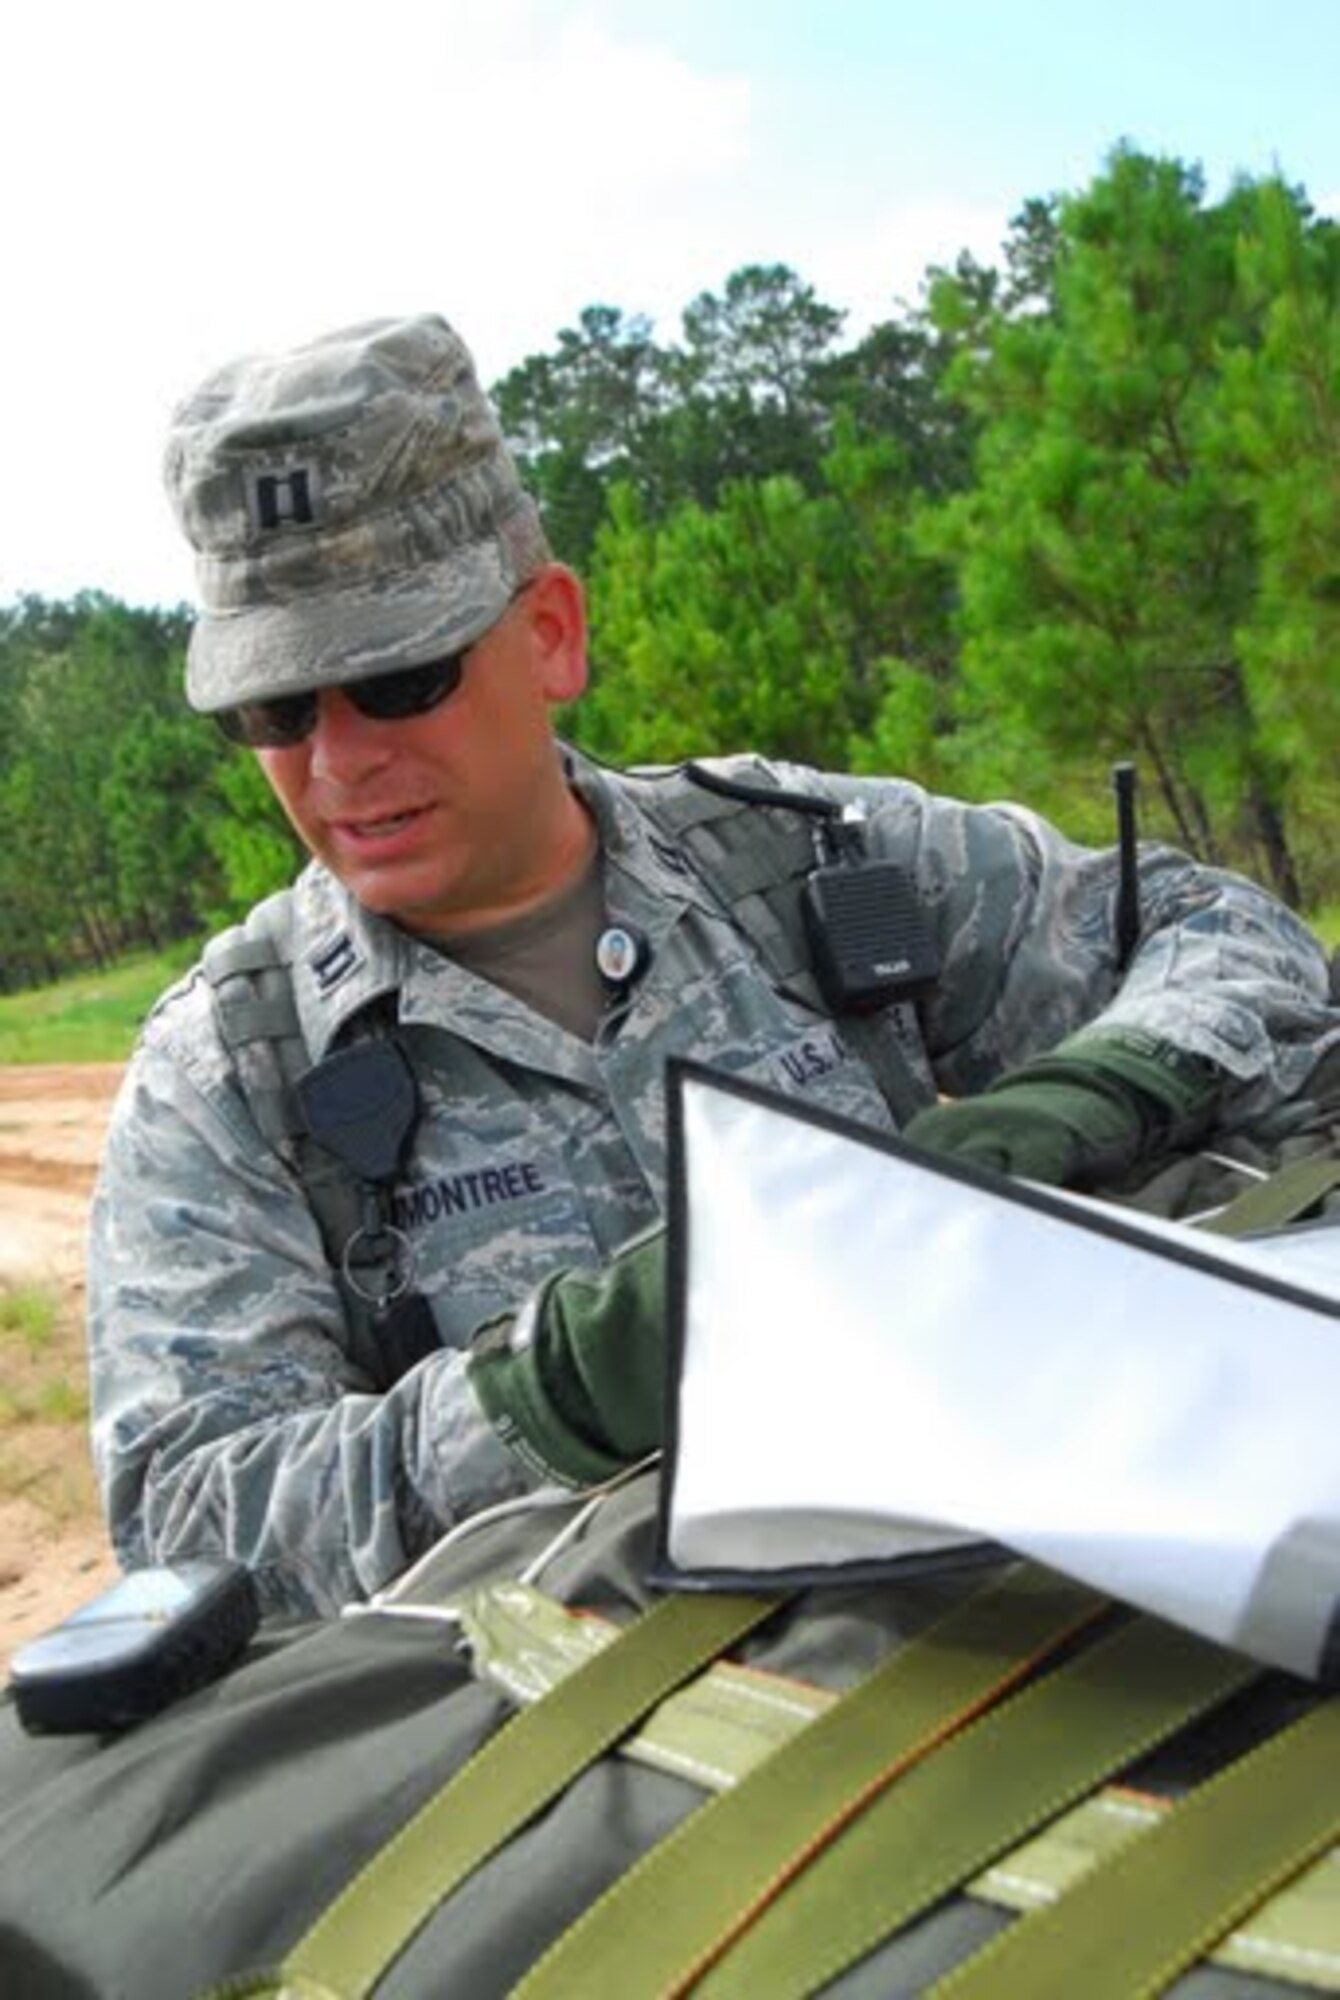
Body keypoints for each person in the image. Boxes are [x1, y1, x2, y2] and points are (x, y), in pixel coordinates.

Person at [89, 311, 1340, 1620]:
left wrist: (1088, 1096)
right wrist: (556, 1390)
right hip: (611, 1766)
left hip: (998, 1634)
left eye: (399, 679)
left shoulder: (806, 865)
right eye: (275, 712)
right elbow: (196, 1527)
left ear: (550, 633)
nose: (339, 763)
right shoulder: (236, 1070)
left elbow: (1232, 942)